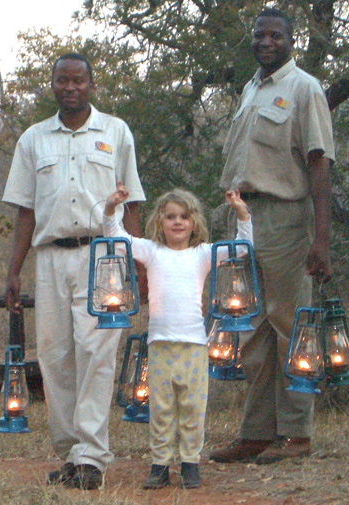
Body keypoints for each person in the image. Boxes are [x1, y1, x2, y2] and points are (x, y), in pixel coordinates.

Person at [2, 52, 145, 490]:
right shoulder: (33, 138)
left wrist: (136, 261)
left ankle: (91, 457)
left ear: (91, 84)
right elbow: (25, 210)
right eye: (62, 80)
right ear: (52, 85)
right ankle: (68, 453)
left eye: (78, 80)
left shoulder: (116, 132)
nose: (70, 88)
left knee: (96, 352)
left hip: (103, 255)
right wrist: (13, 270)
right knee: (55, 355)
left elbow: (132, 202)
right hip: (50, 257)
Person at [212, 7, 335, 465]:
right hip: (243, 217)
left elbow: (319, 164)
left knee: (290, 325)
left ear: (291, 39)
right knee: (250, 329)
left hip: (284, 217)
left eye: (275, 35)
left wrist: (320, 239)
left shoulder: (305, 88)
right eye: (259, 34)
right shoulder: (250, 88)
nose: (266, 41)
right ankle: (257, 432)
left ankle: (297, 433)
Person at [103, 183, 252, 489]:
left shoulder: (203, 254)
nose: (177, 222)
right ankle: (159, 465)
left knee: (192, 408)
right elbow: (118, 240)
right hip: (160, 344)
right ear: (160, 222)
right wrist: (111, 209)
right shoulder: (152, 251)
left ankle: (189, 463)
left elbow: (243, 247)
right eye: (170, 217)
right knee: (161, 408)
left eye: (184, 216)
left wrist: (242, 214)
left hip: (194, 346)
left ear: (194, 221)